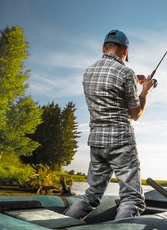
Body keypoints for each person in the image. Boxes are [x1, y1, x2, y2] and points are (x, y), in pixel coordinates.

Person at [64, 30, 154, 220]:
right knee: (132, 199)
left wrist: (132, 80)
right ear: (126, 51)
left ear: (104, 48)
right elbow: (136, 114)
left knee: (91, 196)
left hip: (96, 142)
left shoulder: (88, 72)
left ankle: (61, 228)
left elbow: (108, 85)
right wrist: (145, 91)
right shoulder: (126, 72)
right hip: (120, 141)